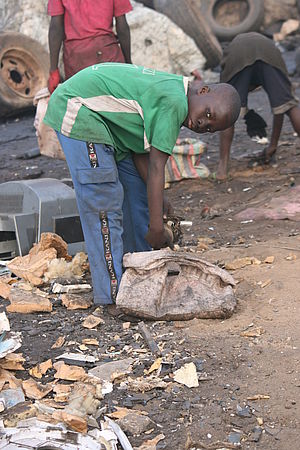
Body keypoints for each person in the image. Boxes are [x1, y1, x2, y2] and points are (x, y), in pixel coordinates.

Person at [43, 62, 241, 305]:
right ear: (203, 91)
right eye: (207, 114)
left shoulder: (176, 90)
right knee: (104, 202)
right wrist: (157, 227)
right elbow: (157, 166)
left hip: (112, 127)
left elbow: (140, 150)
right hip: (79, 110)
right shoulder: (174, 102)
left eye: (210, 128)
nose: (203, 124)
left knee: (137, 192)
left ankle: (141, 273)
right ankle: (112, 296)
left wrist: (161, 203)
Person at [216, 32, 300, 181]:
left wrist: (272, 146)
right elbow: (281, 108)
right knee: (289, 105)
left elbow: (224, 106)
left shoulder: (229, 59)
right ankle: (222, 169)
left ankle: (222, 169)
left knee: (227, 110)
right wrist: (273, 144)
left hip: (239, 54)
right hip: (268, 51)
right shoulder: (270, 54)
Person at [47, 0, 132, 93]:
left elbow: (56, 28)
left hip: (77, 60)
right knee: (116, 101)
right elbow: (122, 27)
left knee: (82, 102)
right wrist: (128, 62)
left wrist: (54, 71)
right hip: (108, 54)